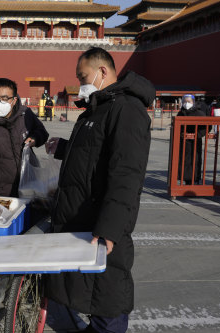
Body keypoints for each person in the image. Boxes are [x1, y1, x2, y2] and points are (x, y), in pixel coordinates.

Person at [44, 47, 155, 333]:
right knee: (76, 292)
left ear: (102, 71)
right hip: (79, 218)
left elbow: (127, 172)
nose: (81, 82)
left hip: (102, 224)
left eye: (83, 76)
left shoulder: (126, 109)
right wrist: (65, 150)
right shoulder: (98, 108)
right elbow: (95, 154)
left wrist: (110, 227)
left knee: (107, 302)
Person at [177, 94, 206, 185]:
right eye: (185, 101)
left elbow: (206, 126)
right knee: (183, 160)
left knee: (195, 160)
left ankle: (195, 179)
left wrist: (197, 134)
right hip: (183, 141)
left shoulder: (199, 113)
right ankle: (185, 179)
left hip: (195, 141)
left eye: (189, 102)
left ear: (193, 102)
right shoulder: (181, 113)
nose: (186, 103)